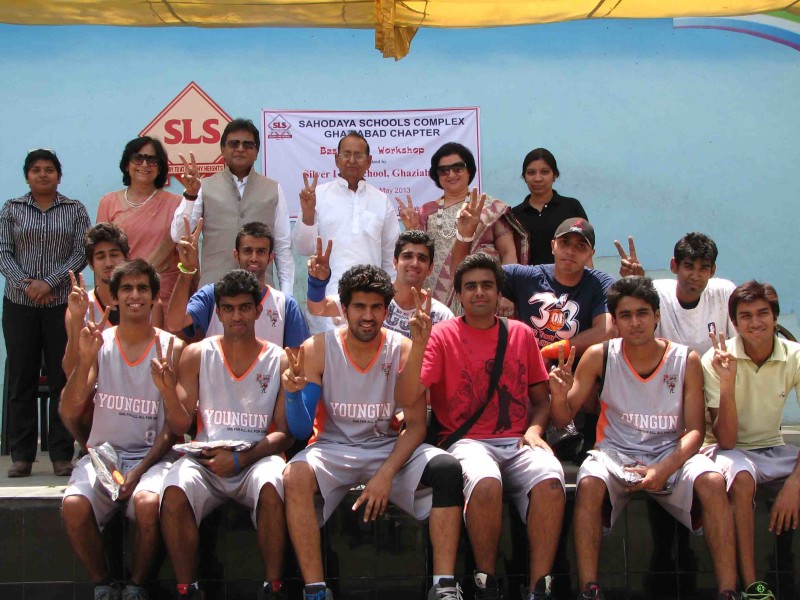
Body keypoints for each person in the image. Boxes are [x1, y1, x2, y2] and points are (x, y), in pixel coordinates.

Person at [281, 265, 465, 600]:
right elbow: (299, 429)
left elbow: (417, 426)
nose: (368, 316)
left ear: (386, 309)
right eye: (360, 307)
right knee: (294, 476)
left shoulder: (403, 347)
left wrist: (385, 475)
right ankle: (315, 589)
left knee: (447, 469)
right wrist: (294, 396)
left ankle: (443, 584)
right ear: (346, 309)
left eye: (376, 307)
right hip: (334, 447)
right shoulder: (318, 348)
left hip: (386, 446)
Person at [549, 276, 738, 600]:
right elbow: (564, 419)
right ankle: (589, 589)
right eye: (625, 315)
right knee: (589, 482)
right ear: (615, 320)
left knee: (712, 481)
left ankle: (729, 590)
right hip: (616, 452)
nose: (635, 322)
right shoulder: (599, 355)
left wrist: (663, 470)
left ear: (656, 315)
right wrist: (558, 394)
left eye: (642, 313)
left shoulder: (685, 359)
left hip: (670, 455)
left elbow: (694, 430)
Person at [420, 253, 565, 600]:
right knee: (485, 481)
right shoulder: (440, 336)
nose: (479, 292)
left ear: (499, 293)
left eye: (487, 285)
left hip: (518, 440)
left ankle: (539, 587)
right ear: (458, 295)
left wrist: (534, 430)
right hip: (466, 442)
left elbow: (541, 400)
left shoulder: (521, 333)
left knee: (551, 478)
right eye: (471, 287)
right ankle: (486, 582)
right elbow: (416, 390)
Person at [160, 269, 293, 600]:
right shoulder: (197, 354)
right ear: (217, 311)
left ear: (258, 311)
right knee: (174, 488)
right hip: (207, 459)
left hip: (255, 457)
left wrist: (241, 458)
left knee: (273, 485)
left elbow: (286, 435)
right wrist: (166, 392)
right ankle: (187, 589)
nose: (237, 316)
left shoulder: (279, 358)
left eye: (245, 308)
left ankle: (273, 587)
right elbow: (179, 425)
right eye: (229, 308)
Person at [60, 259, 184, 600]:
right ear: (113, 298)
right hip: (104, 458)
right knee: (73, 506)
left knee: (147, 504)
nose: (135, 295)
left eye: (143, 288)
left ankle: (136, 585)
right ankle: (103, 584)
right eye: (126, 288)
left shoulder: (173, 348)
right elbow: (68, 408)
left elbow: (176, 427)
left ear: (155, 297)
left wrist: (140, 469)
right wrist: (84, 358)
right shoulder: (99, 343)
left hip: (151, 460)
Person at [702, 281, 800, 600]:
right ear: (734, 322)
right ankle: (752, 584)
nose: (755, 323)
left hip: (772, 446)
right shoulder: (716, 358)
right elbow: (727, 440)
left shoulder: (795, 356)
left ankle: (783, 566)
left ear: (775, 317)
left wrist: (794, 486)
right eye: (745, 316)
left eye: (762, 314)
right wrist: (728, 382)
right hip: (725, 449)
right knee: (742, 479)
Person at [0, 148, 91, 477]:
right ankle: (21, 455)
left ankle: (61, 454)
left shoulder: (74, 209)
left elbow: (82, 251)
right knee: (21, 378)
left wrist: (50, 283)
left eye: (49, 169)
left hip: (61, 305)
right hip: (19, 304)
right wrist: (27, 284)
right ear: (27, 175)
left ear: (58, 175)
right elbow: (3, 251)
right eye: (36, 169)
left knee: (62, 379)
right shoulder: (11, 209)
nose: (42, 174)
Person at [396, 142, 527, 313]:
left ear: (469, 170)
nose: (451, 174)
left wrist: (508, 292)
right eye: (444, 170)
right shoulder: (427, 211)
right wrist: (411, 228)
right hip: (437, 298)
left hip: (481, 293)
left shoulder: (488, 207)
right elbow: (420, 256)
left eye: (458, 168)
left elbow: (508, 252)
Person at [170, 118, 294, 294]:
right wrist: (190, 195)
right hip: (213, 292)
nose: (240, 149)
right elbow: (178, 235)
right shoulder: (203, 187)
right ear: (223, 149)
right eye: (234, 144)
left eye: (248, 144)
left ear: (256, 151)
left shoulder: (273, 189)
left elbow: (282, 246)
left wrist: (286, 296)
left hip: (260, 294)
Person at [292, 131, 400, 332]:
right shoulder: (319, 196)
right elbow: (304, 248)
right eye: (346, 154)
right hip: (327, 303)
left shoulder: (381, 200)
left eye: (358, 155)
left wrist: (386, 301)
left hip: (370, 304)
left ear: (369, 161)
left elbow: (391, 259)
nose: (352, 160)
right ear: (336, 159)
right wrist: (308, 214)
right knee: (327, 362)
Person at [166, 220, 308, 349]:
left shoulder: (286, 305)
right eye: (247, 251)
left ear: (270, 257)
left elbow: (296, 362)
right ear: (236, 255)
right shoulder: (211, 295)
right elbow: (174, 323)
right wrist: (187, 270)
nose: (254, 258)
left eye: (261, 252)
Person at [306, 229, 454, 337]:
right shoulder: (371, 296)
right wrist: (317, 282)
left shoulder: (442, 316)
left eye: (422, 258)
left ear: (430, 268)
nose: (414, 263)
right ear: (395, 262)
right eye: (407, 256)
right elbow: (318, 308)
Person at [616, 232, 736, 354]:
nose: (695, 276)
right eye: (689, 267)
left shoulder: (725, 293)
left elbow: (740, 342)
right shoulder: (654, 293)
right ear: (674, 266)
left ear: (713, 270)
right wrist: (635, 286)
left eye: (703, 268)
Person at [97, 136, 183, 303]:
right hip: (122, 295)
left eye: (152, 160)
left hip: (163, 295)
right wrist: (105, 301)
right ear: (127, 165)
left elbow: (185, 256)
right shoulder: (108, 203)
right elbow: (100, 256)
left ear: (160, 168)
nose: (144, 164)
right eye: (138, 158)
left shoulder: (177, 204)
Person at [63, 222, 132, 377]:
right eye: (101, 257)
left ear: (127, 257)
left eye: (114, 255)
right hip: (95, 392)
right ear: (91, 264)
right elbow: (71, 372)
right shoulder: (81, 307)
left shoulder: (146, 304)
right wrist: (77, 319)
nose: (108, 263)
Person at [511, 148, 589, 266]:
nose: (538, 178)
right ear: (524, 177)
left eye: (545, 172)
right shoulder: (514, 215)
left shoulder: (571, 207)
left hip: (568, 280)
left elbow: (585, 249)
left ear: (555, 175)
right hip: (528, 282)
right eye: (531, 173)